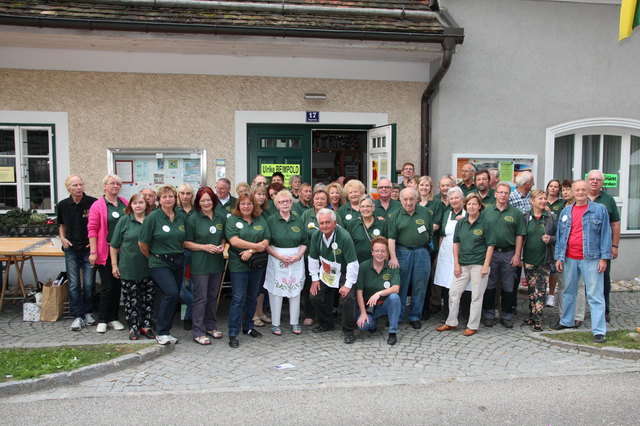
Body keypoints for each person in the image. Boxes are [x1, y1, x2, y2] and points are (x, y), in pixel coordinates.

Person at [552, 180, 611, 344]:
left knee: (595, 295)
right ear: (572, 192)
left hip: (591, 258)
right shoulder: (566, 211)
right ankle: (566, 321)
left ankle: (599, 331)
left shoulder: (599, 210)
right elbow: (560, 236)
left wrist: (604, 258)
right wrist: (559, 257)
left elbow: (606, 234)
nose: (580, 192)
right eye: (577, 190)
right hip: (569, 257)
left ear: (588, 191)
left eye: (583, 189)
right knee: (568, 291)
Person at [437, 193, 495, 336]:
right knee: (454, 292)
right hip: (463, 264)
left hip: (479, 265)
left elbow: (490, 245)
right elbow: (456, 243)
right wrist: (456, 264)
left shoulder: (486, 223)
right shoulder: (461, 223)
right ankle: (451, 322)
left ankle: (473, 325)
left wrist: (486, 265)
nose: (471, 206)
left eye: (474, 204)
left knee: (476, 296)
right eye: (469, 204)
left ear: (480, 206)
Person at [138, 185, 186, 345]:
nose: (168, 199)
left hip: (178, 261)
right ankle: (162, 331)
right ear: (159, 200)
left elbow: (183, 239)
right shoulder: (153, 217)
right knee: (171, 293)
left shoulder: (180, 216)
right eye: (164, 197)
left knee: (168, 296)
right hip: (159, 262)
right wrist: (152, 257)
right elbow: (142, 243)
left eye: (171, 196)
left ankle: (165, 330)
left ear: (175, 198)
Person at [225, 193, 271, 348]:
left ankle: (248, 327)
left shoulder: (260, 220)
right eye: (243, 204)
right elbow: (234, 240)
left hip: (256, 264)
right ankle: (233, 333)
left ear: (254, 206)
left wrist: (251, 250)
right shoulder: (232, 220)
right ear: (238, 206)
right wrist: (257, 246)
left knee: (252, 296)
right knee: (238, 298)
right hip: (239, 266)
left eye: (249, 204)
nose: (246, 207)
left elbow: (266, 240)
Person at [308, 208, 359, 343]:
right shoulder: (316, 236)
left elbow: (353, 263)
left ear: (334, 223)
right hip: (326, 271)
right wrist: (314, 279)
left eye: (328, 222)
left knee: (347, 298)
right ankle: (326, 323)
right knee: (314, 296)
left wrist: (348, 285)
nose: (324, 226)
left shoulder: (344, 237)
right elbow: (312, 259)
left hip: (343, 271)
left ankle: (348, 331)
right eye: (322, 223)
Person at [184, 187, 226, 345]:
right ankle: (198, 331)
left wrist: (222, 245)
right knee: (200, 298)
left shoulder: (220, 217)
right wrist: (204, 247)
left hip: (216, 263)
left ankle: (211, 326)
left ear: (213, 200)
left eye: (209, 200)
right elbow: (186, 242)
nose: (206, 203)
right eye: (203, 200)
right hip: (200, 264)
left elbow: (223, 238)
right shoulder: (193, 218)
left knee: (212, 297)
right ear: (198, 202)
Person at [110, 193, 155, 340]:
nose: (138, 205)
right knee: (131, 300)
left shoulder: (151, 220)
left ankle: (146, 325)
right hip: (129, 267)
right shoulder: (124, 221)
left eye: (141, 202)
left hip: (148, 266)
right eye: (135, 203)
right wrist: (114, 265)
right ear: (131, 206)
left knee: (147, 299)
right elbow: (114, 245)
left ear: (146, 205)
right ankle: (133, 326)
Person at [481, 182, 525, 329]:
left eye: (506, 193)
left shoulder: (515, 213)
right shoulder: (486, 212)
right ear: (495, 194)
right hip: (491, 254)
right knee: (489, 285)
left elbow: (520, 235)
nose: (503, 195)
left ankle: (506, 315)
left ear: (509, 195)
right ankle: (488, 314)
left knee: (508, 286)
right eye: (500, 192)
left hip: (509, 253)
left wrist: (517, 255)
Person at [88, 174, 128, 333]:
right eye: (112, 183)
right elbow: (92, 229)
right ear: (104, 186)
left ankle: (114, 318)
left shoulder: (124, 203)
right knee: (107, 287)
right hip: (104, 252)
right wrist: (93, 251)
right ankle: (103, 319)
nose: (115, 186)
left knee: (118, 286)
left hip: (122, 253)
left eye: (118, 183)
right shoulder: (98, 205)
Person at [388, 188, 433, 328]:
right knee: (401, 285)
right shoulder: (395, 215)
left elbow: (430, 232)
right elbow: (391, 238)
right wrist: (393, 257)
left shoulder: (425, 213)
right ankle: (398, 315)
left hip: (421, 252)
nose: (408, 202)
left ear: (416, 199)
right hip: (402, 252)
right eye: (405, 199)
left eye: (411, 199)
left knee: (420, 285)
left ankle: (415, 316)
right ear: (400, 200)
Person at [57, 175, 97, 331]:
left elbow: (98, 225)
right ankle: (77, 316)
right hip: (71, 249)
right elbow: (61, 224)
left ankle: (88, 312)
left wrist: (93, 243)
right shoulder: (62, 205)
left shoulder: (92, 203)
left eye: (81, 184)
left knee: (88, 284)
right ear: (69, 188)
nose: (79, 187)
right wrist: (62, 238)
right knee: (73, 284)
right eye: (75, 185)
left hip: (88, 249)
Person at [265, 190, 308, 335]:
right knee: (276, 292)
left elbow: (304, 241)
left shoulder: (298, 219)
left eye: (288, 201)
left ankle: (295, 322)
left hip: (296, 259)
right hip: (276, 258)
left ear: (291, 203)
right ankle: (275, 323)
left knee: (295, 291)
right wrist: (278, 256)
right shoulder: (271, 220)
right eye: (282, 202)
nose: (285, 204)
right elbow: (266, 243)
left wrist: (298, 255)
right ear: (276, 204)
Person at [586, 169, 620, 323]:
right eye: (592, 179)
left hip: (602, 248)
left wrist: (614, 245)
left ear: (602, 183)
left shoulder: (608, 200)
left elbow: (615, 224)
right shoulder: (580, 197)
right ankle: (579, 311)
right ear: (587, 181)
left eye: (598, 179)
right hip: (581, 247)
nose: (594, 181)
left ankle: (604, 311)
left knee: (603, 280)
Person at [521, 189, 557, 331]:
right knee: (531, 288)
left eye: (544, 199)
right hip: (529, 258)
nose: (543, 201)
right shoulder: (525, 217)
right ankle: (532, 314)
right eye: (540, 199)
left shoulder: (551, 218)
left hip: (545, 259)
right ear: (532, 201)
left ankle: (538, 319)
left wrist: (551, 239)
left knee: (540, 289)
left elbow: (559, 237)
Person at [356, 237, 401, 345]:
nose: (380, 254)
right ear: (372, 252)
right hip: (368, 306)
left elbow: (396, 288)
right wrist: (362, 313)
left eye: (383, 251)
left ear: (387, 252)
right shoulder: (363, 266)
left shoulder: (392, 266)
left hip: (384, 304)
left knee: (394, 297)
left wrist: (379, 293)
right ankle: (373, 323)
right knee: (363, 326)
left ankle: (392, 332)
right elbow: (359, 292)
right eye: (377, 251)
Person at [433, 187, 469, 319]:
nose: (454, 201)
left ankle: (465, 314)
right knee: (447, 284)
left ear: (462, 199)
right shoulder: (447, 213)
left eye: (456, 198)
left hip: (463, 252)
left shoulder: (468, 213)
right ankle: (447, 313)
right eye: (451, 198)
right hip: (446, 252)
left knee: (464, 283)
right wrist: (438, 255)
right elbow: (442, 234)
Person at [300, 188, 329, 326]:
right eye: (317, 198)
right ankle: (309, 314)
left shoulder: (332, 214)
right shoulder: (306, 215)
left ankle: (324, 314)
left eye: (323, 199)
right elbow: (301, 234)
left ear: (327, 201)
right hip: (309, 257)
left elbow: (340, 231)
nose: (319, 201)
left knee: (327, 286)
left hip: (328, 259)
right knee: (309, 286)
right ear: (313, 201)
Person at [345, 195, 387, 262]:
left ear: (373, 208)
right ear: (360, 208)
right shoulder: (352, 224)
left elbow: (386, 246)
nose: (365, 209)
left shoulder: (382, 224)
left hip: (377, 264)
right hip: (357, 264)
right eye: (362, 206)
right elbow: (347, 246)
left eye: (368, 206)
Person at [176, 183, 195, 330]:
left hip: (196, 251)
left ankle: (189, 316)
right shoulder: (174, 211)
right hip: (179, 252)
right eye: (182, 193)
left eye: (188, 193)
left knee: (194, 286)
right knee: (180, 287)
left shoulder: (197, 210)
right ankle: (196, 306)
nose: (185, 196)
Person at [545, 179, 564, 307]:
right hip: (542, 238)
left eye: (556, 186)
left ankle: (551, 294)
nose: (553, 188)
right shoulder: (542, 200)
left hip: (555, 239)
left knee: (553, 270)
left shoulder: (561, 203)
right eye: (551, 186)